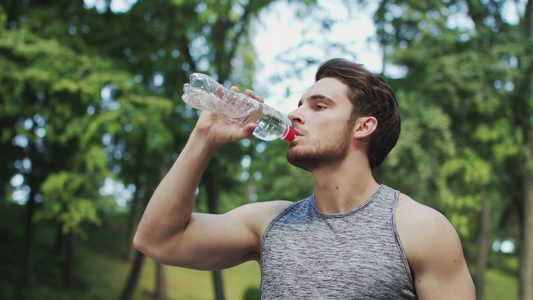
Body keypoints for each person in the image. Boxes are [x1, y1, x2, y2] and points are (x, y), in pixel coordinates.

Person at [134, 58, 476, 299]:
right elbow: (157, 240)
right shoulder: (269, 223)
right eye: (298, 104)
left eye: (319, 106)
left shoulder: (422, 229)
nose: (294, 113)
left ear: (363, 126)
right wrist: (203, 138)